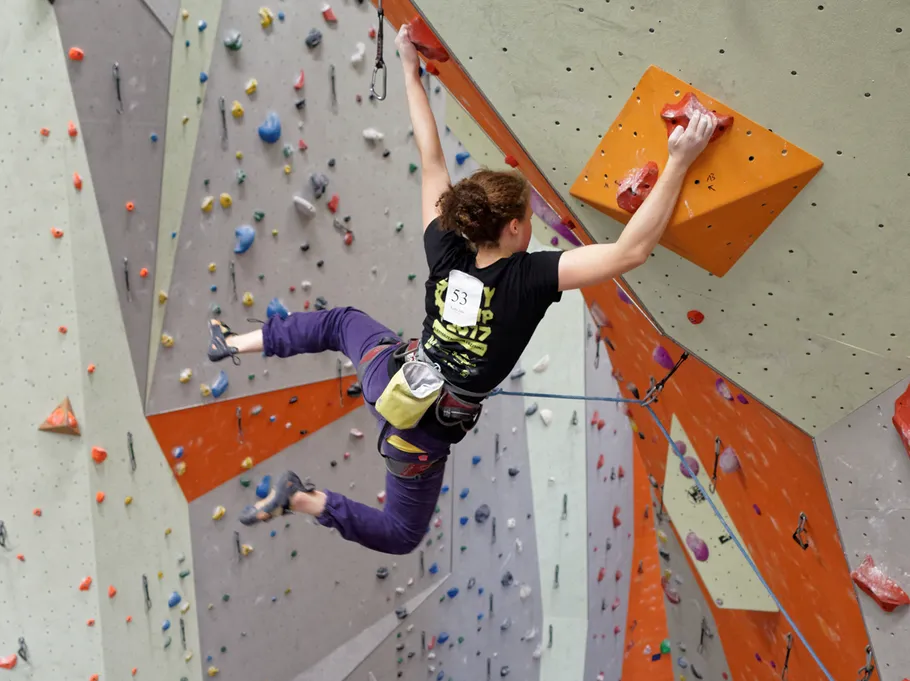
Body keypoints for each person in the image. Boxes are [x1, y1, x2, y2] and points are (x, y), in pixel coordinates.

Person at [205, 26, 716, 555]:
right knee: (401, 533)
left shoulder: (448, 250)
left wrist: (407, 67)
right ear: (515, 230)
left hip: (396, 378)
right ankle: (304, 500)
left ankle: (238, 344)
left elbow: (431, 161)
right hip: (415, 425)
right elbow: (629, 252)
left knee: (339, 324)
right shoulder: (530, 276)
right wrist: (680, 159)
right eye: (527, 218)